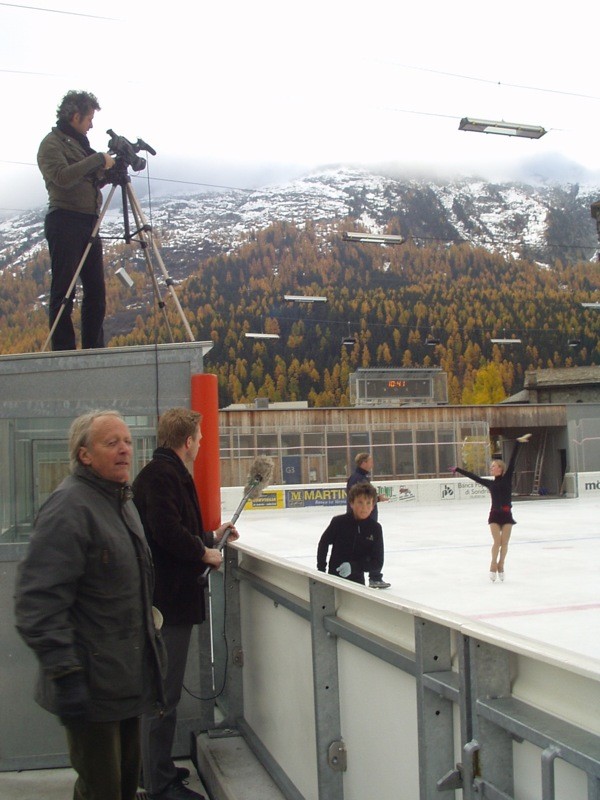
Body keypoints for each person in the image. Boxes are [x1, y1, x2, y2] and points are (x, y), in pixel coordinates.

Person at [14, 410, 166, 800]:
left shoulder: (121, 501)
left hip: (127, 679)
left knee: (126, 786)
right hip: (91, 684)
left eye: (128, 441)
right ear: (85, 455)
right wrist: (66, 674)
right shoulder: (70, 507)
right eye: (111, 442)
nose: (125, 450)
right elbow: (37, 600)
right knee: (103, 791)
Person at [132, 408, 239, 800]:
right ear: (189, 440)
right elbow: (166, 531)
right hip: (168, 603)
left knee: (166, 691)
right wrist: (204, 552)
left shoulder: (167, 473)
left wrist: (212, 535)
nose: (203, 443)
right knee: (163, 693)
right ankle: (157, 784)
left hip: (171, 600)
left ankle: (155, 768)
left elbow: (178, 527)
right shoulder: (161, 476)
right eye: (201, 437)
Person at [37, 90, 116, 351]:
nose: (92, 124)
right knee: (64, 291)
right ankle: (65, 353)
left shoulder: (81, 145)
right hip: (65, 221)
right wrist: (97, 160)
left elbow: (89, 180)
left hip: (88, 222)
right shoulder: (52, 144)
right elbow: (62, 177)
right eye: (89, 118)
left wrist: (109, 171)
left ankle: (94, 350)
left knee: (96, 292)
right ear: (75, 116)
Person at [449, 433, 531, 582]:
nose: (491, 468)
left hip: (507, 515)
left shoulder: (507, 478)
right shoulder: (490, 483)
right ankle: (493, 564)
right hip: (494, 515)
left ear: (500, 469)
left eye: (493, 466)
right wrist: (458, 469)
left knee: (504, 543)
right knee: (497, 542)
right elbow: (475, 477)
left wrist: (518, 443)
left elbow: (512, 461)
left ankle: (502, 564)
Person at [317, 483, 385, 585]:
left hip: (357, 582)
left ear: (373, 506)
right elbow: (323, 543)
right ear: (352, 503)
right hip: (334, 579)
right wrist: (321, 570)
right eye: (360, 502)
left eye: (368, 503)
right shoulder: (339, 522)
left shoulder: (375, 528)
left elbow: (377, 562)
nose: (364, 508)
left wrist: (354, 567)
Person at [346, 452, 391, 588]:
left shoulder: (361, 477)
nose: (372, 463)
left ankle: (372, 576)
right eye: (370, 461)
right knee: (371, 548)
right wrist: (377, 499)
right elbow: (358, 498)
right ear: (363, 463)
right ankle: (374, 577)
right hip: (363, 520)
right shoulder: (358, 478)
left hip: (365, 519)